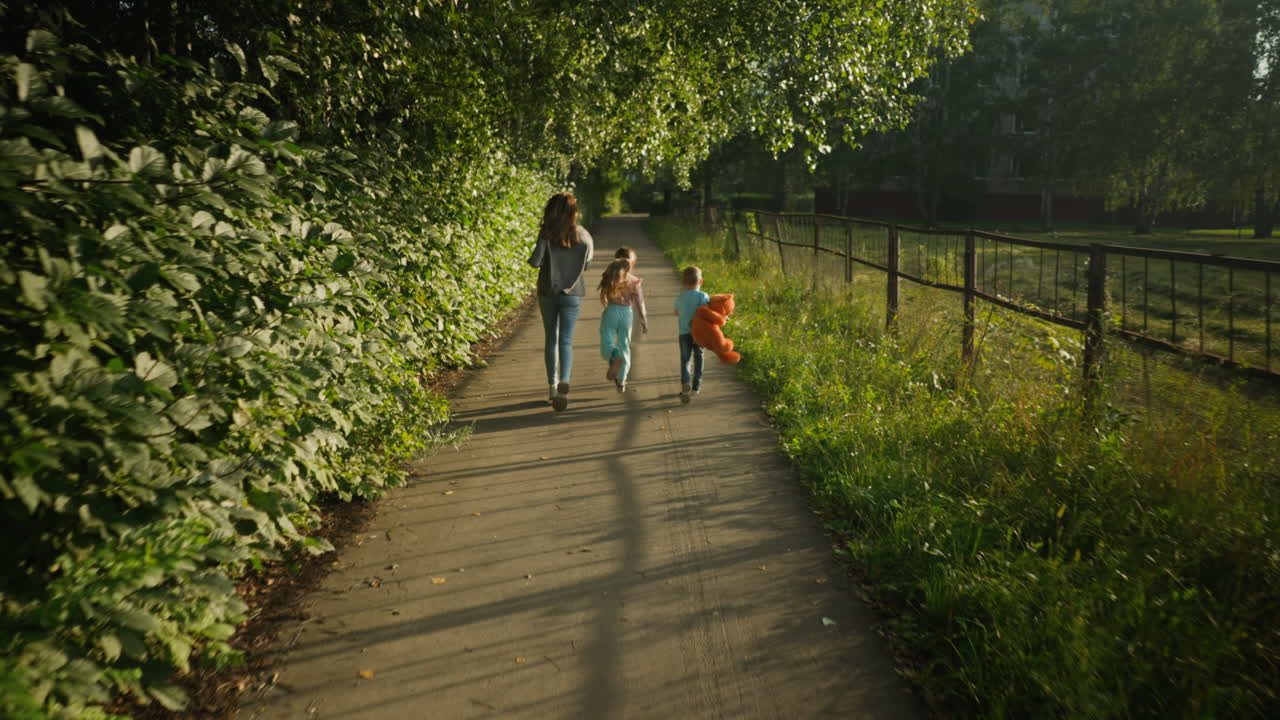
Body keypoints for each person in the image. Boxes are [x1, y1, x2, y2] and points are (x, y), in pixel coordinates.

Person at [528, 192, 593, 411]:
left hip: (548, 291)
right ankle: (565, 378)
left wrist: (544, 243)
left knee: (551, 339)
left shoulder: (546, 234)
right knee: (566, 339)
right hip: (573, 293)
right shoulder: (583, 235)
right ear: (574, 212)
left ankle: (552, 388)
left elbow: (536, 262)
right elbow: (587, 265)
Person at [597, 257, 648, 393]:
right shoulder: (634, 281)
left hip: (612, 311)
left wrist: (606, 308)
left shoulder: (611, 277)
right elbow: (639, 302)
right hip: (627, 314)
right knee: (624, 345)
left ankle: (612, 356)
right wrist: (643, 320)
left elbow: (603, 297)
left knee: (606, 340)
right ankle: (622, 380)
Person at [674, 265, 710, 403]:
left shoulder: (680, 297)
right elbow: (707, 311)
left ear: (683, 283)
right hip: (699, 333)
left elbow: (676, 312)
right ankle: (696, 387)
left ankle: (685, 382)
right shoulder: (703, 296)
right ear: (700, 281)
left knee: (685, 360)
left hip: (684, 333)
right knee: (699, 357)